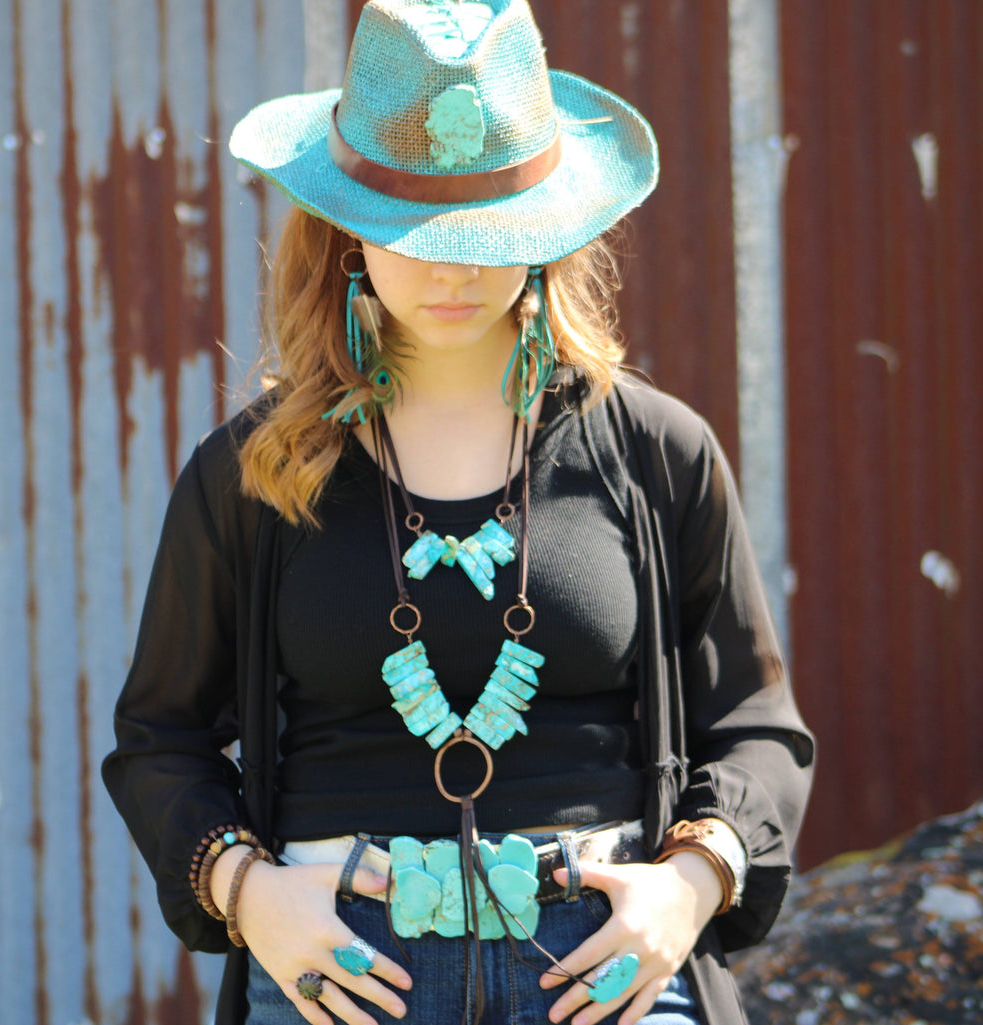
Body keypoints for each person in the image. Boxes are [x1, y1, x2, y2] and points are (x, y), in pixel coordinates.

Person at [102, 2, 814, 1024]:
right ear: (347, 223)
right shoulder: (253, 472)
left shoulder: (656, 453)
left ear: (547, 227)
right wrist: (247, 892)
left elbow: (756, 728)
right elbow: (158, 734)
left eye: (485, 232)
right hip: (338, 970)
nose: (449, 268)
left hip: (606, 971)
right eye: (413, 229)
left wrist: (691, 882)